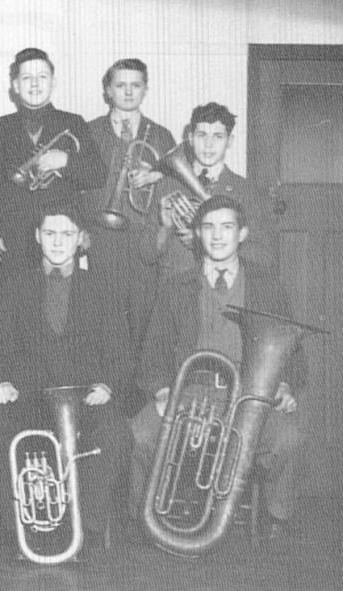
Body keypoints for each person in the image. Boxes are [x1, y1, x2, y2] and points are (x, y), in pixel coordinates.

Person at [129, 195, 303, 540]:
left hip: (250, 396)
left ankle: (276, 516)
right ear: (197, 235)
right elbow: (152, 356)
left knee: (289, 437)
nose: (217, 235)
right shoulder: (175, 285)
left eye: (227, 227)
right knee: (140, 434)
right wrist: (164, 392)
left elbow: (294, 353)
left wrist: (284, 386)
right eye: (208, 227)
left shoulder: (267, 283)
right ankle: (141, 521)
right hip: (189, 391)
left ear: (242, 233)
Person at [0, 204, 131, 559]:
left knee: (115, 435)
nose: (57, 242)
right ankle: (20, 533)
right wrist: (3, 382)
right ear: (37, 237)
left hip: (84, 400)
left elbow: (121, 352)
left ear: (81, 239)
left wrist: (108, 386)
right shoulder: (15, 286)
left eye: (67, 234)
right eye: (49, 233)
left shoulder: (103, 287)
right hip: (30, 397)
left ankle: (86, 530)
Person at [0, 48, 106, 298]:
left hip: (60, 239)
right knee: (11, 309)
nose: (35, 84)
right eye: (26, 78)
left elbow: (98, 174)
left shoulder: (74, 122)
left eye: (42, 77)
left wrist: (66, 160)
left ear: (53, 82)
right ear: (15, 85)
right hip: (11, 237)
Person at [84, 59, 176, 359]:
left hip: (144, 241)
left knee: (143, 321)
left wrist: (158, 175)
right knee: (105, 322)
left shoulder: (161, 136)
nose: (127, 92)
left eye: (135, 85)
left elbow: (175, 189)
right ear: (108, 90)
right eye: (120, 85)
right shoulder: (89, 132)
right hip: (101, 240)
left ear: (145, 90)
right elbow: (76, 188)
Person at [146, 102, 276, 277]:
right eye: (202, 135)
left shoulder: (246, 190)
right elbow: (146, 255)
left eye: (218, 136)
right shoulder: (167, 186)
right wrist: (165, 229)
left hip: (225, 290)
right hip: (175, 289)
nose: (208, 144)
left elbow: (264, 256)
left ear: (229, 141)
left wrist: (204, 243)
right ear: (190, 138)